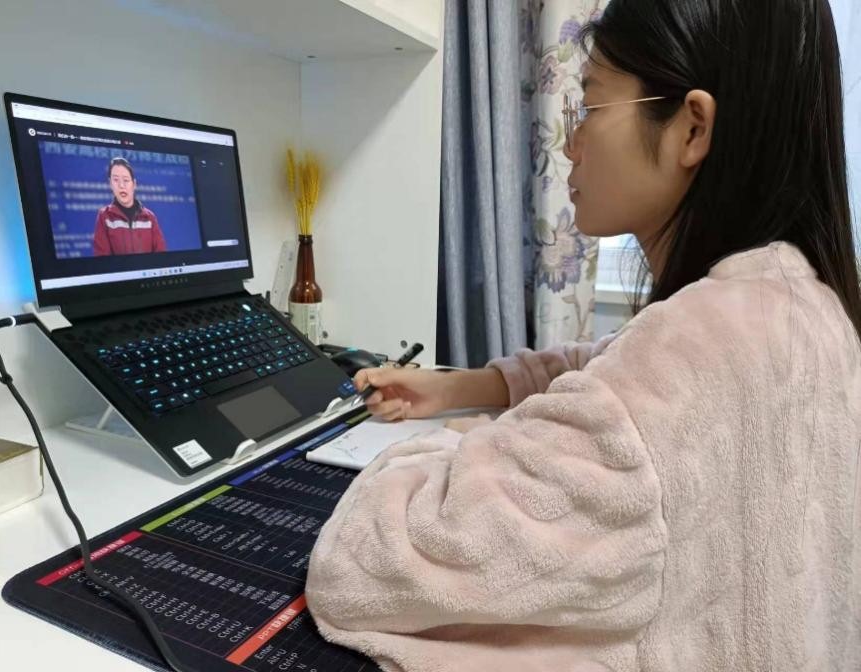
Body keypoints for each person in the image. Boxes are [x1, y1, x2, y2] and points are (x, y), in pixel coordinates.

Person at [305, 0, 861, 670]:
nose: (569, 144)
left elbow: (366, 566)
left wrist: (460, 441)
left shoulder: (696, 348)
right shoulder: (798, 304)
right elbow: (611, 366)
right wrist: (462, 387)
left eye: (590, 107)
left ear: (692, 128)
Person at [93, 158, 166, 255]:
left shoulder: (149, 217)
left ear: (134, 184)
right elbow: (102, 257)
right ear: (110, 184)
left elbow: (161, 254)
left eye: (126, 180)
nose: (121, 185)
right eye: (116, 180)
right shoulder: (104, 216)